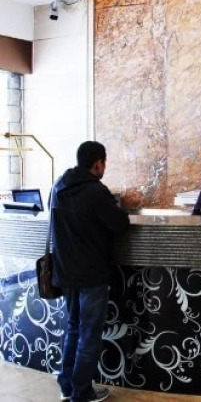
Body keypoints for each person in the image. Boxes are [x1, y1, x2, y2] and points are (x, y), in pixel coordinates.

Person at [51, 141, 130, 402]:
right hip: (91, 275)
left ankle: (67, 386)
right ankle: (82, 392)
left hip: (66, 272)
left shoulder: (59, 186)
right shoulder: (95, 192)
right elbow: (119, 224)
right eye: (104, 163)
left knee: (73, 329)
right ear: (98, 163)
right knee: (89, 335)